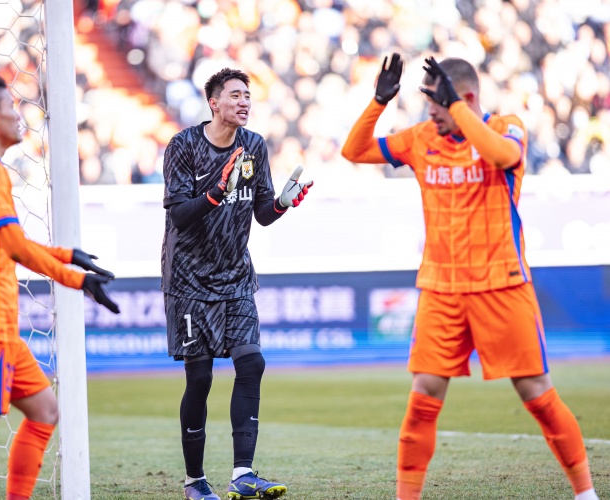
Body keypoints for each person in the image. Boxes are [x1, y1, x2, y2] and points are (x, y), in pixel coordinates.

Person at [341, 54, 599, 500]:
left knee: (537, 395)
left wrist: (457, 109)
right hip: (441, 288)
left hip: (502, 283)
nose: (431, 115)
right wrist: (379, 102)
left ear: (466, 98)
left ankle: (585, 493)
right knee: (422, 398)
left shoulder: (507, 127)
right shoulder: (421, 138)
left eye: (438, 106)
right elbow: (354, 151)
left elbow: (503, 156)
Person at [0, 74, 120, 500]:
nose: (19, 114)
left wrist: (65, 254)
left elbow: (8, 241)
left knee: (44, 410)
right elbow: (14, 247)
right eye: (11, 106)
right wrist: (76, 279)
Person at [161, 67, 312, 500]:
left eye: (247, 95)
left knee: (251, 363)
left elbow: (261, 212)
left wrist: (282, 203)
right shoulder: (184, 146)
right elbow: (179, 214)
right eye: (235, 95)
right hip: (189, 279)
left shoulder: (254, 145)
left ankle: (243, 474)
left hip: (236, 277)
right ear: (214, 103)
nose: (244, 102)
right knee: (200, 377)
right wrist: (215, 191)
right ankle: (194, 481)